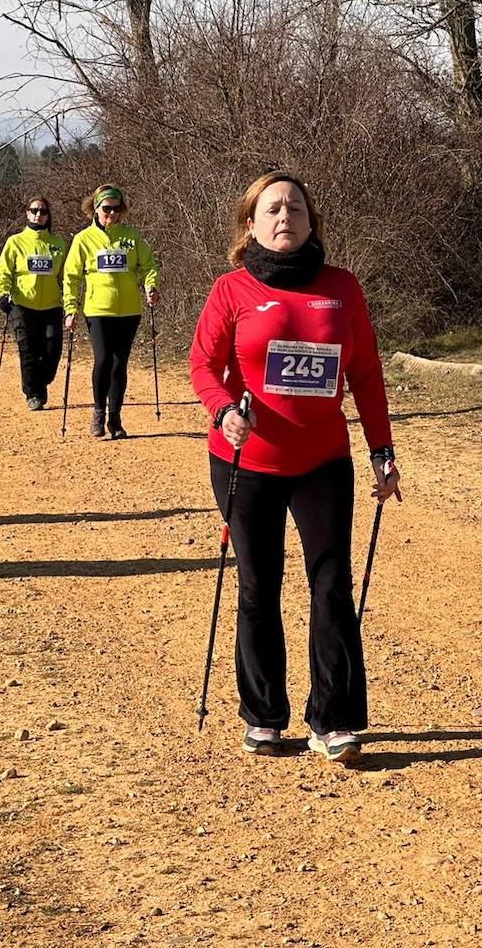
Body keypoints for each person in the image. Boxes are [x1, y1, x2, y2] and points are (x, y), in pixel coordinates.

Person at [189, 171, 402, 765]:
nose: (286, 216)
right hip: (246, 460)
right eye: (273, 208)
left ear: (312, 222)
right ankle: (264, 715)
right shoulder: (231, 290)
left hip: (323, 460)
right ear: (251, 224)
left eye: (297, 208)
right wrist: (224, 410)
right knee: (259, 586)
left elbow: (366, 374)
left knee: (330, 588)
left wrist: (382, 451)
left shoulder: (343, 289)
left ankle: (333, 720)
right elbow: (203, 365)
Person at [62, 185, 160, 439]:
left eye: (117, 209)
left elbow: (148, 264)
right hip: (98, 310)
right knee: (103, 361)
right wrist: (70, 309)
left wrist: (151, 285)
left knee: (119, 365)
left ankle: (115, 418)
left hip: (128, 311)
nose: (112, 214)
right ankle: (98, 412)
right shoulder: (83, 239)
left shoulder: (132, 236)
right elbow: (71, 277)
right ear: (95, 208)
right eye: (107, 208)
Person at [0, 196, 68, 410]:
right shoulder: (15, 242)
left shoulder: (58, 244)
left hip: (51, 306)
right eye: (34, 210)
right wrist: (3, 293)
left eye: (43, 211)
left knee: (51, 349)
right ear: (27, 213)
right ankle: (33, 393)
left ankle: (41, 381)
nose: (39, 214)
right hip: (22, 305)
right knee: (27, 349)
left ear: (48, 215)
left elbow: (66, 275)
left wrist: (70, 298)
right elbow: (3, 271)